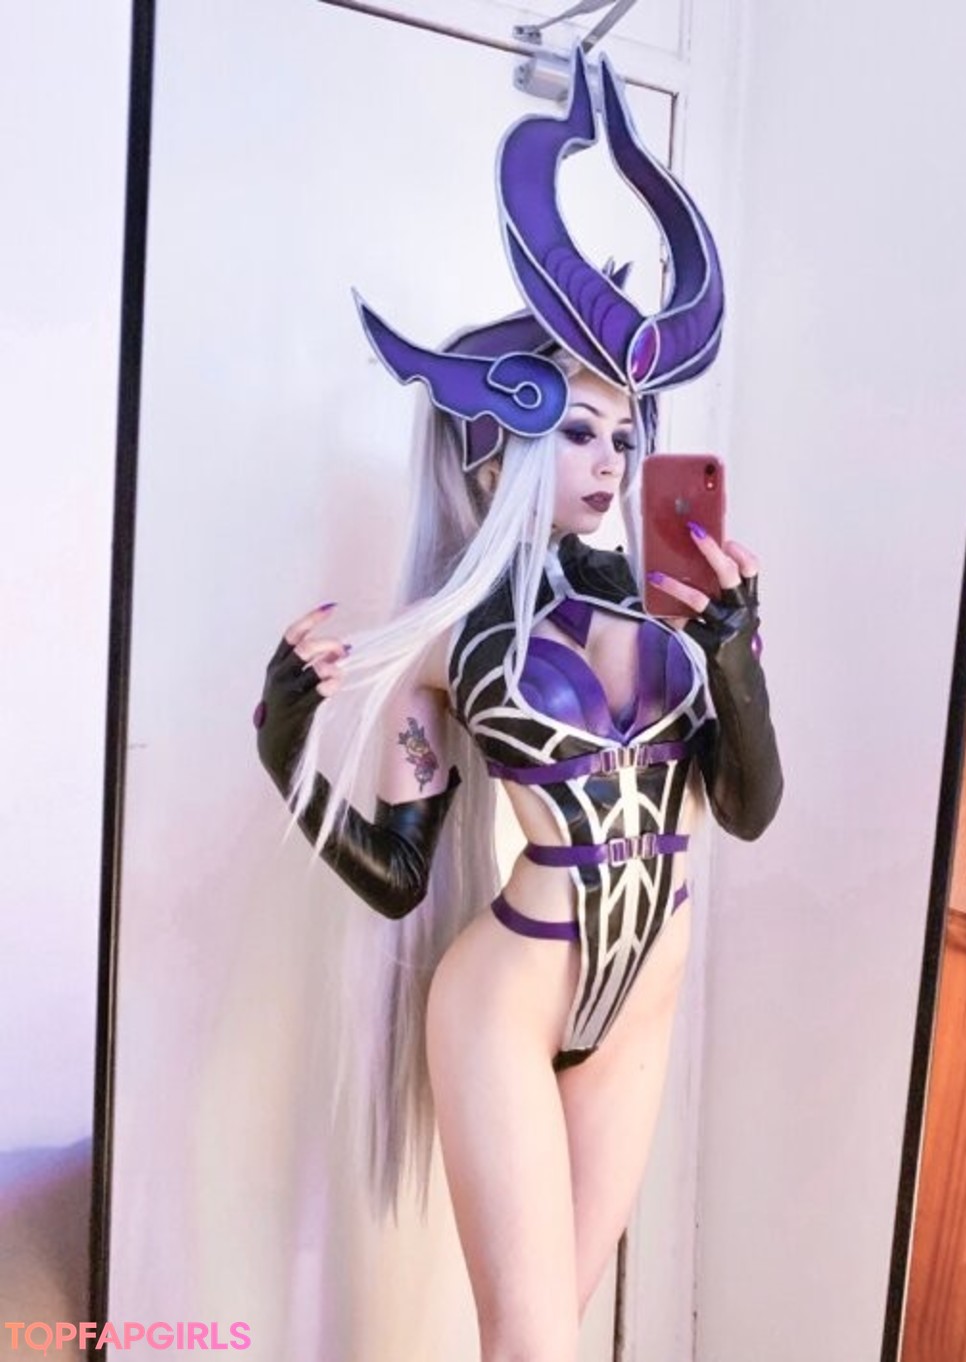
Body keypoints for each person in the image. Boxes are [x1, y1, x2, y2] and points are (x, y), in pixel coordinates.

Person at [255, 50, 782, 1362]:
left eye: (625, 433)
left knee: (556, 1342)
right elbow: (396, 877)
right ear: (496, 449)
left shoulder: (672, 610)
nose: (610, 461)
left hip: (647, 986)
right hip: (509, 998)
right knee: (532, 1348)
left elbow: (747, 808)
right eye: (578, 431)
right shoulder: (450, 647)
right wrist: (284, 743)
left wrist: (734, 654)